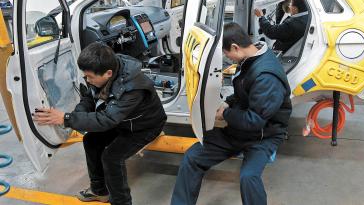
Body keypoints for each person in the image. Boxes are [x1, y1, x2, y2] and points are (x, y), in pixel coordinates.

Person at [171, 22, 292, 205]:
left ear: (235, 47)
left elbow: (255, 120)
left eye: (226, 53)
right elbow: (243, 92)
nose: (227, 58)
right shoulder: (249, 59)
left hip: (263, 136)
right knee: (193, 157)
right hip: (240, 130)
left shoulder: (266, 76)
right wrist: (227, 103)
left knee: (249, 177)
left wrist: (225, 115)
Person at [34, 42, 167, 205]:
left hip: (144, 126)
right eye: (85, 76)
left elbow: (106, 120)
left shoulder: (133, 88)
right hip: (123, 121)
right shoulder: (105, 70)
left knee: (112, 157)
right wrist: (76, 116)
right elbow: (89, 98)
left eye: (90, 77)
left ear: (108, 73)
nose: (87, 80)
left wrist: (67, 119)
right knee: (91, 141)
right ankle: (100, 191)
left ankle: (121, 202)